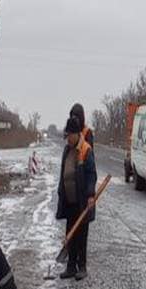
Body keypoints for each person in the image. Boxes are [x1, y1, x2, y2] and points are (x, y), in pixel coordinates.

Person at [56, 114, 97, 280]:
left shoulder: (85, 149)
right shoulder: (67, 150)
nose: (67, 140)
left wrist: (90, 195)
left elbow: (91, 175)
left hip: (81, 200)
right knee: (70, 234)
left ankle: (82, 267)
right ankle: (71, 266)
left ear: (76, 134)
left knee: (81, 235)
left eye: (69, 136)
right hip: (69, 200)